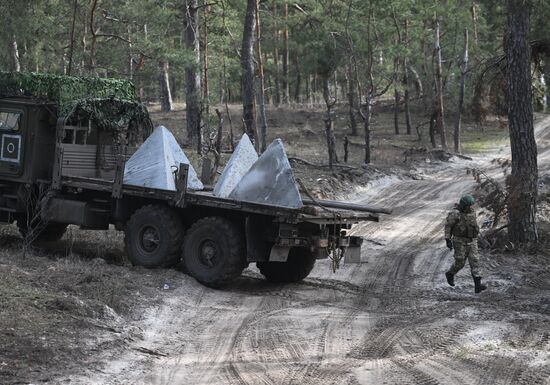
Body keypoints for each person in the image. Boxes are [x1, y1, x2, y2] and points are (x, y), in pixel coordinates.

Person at [444, 194, 487, 293]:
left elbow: (473, 225)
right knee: (460, 262)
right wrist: (447, 239)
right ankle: (450, 274)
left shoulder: (472, 212)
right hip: (460, 241)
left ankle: (478, 285)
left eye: (472, 205)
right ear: (464, 205)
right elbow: (448, 226)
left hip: (472, 240)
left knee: (475, 261)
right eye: (469, 205)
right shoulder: (455, 214)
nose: (471, 207)